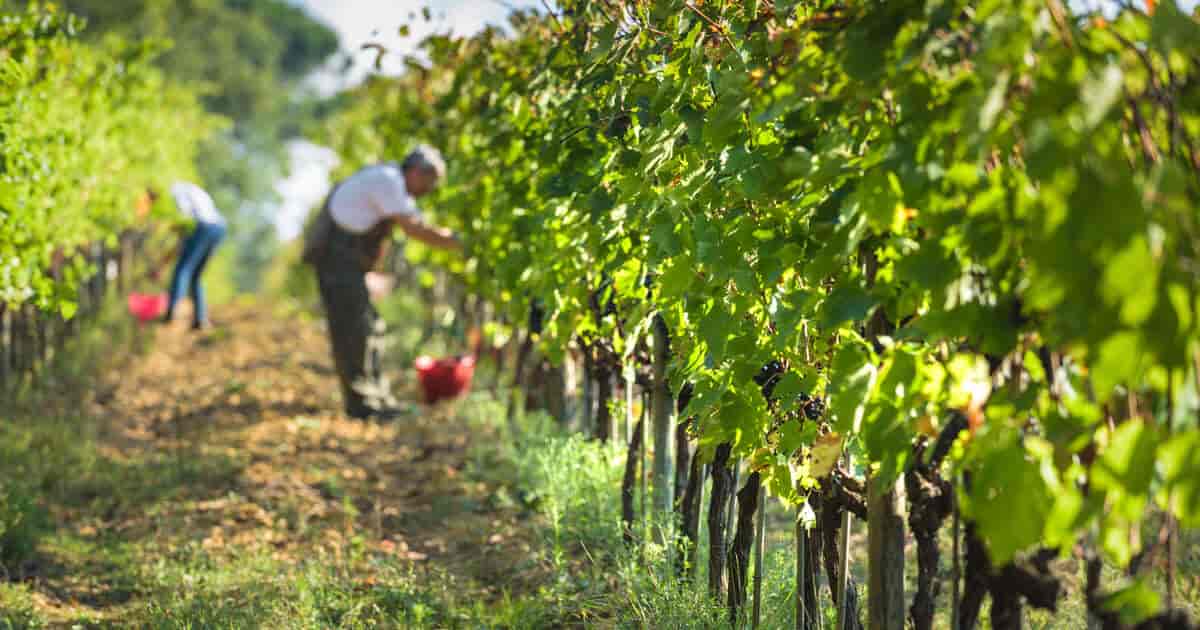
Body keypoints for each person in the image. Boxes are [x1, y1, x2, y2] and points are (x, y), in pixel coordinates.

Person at [304, 145, 462, 419]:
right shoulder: (389, 182)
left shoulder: (391, 182)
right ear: (416, 172)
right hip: (337, 258)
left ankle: (376, 397)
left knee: (369, 325)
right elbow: (416, 229)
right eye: (430, 181)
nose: (431, 189)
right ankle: (363, 405)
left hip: (345, 259)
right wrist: (459, 242)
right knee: (354, 329)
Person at [149, 181, 228, 330]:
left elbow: (183, 234)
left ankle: (172, 313)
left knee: (182, 269)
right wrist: (162, 264)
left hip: (203, 226)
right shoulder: (186, 188)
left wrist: (161, 264)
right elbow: (182, 241)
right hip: (219, 227)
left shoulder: (174, 194)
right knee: (196, 275)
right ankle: (200, 319)